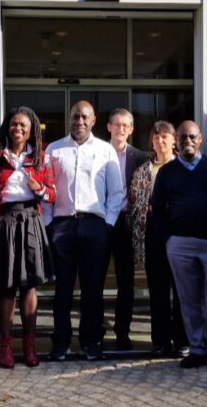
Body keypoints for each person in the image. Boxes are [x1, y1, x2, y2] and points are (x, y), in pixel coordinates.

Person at [151, 121, 207, 375]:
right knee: (188, 300)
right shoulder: (167, 173)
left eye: (192, 137)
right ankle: (198, 348)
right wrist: (168, 239)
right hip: (180, 245)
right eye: (182, 137)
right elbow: (158, 209)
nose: (187, 141)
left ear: (200, 139)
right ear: (176, 141)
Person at [44, 100, 125, 361]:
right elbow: (46, 191)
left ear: (93, 121)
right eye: (75, 116)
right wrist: (48, 223)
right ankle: (61, 343)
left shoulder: (105, 150)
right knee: (63, 289)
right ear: (69, 119)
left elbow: (116, 193)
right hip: (62, 225)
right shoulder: (54, 150)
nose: (79, 121)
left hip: (94, 225)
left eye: (84, 117)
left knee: (93, 289)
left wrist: (108, 224)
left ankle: (91, 342)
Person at [0, 106, 56, 369]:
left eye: (24, 125)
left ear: (31, 129)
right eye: (14, 124)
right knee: (6, 286)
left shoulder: (41, 158)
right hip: (4, 223)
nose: (18, 129)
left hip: (31, 222)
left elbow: (53, 194)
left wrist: (41, 189)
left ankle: (30, 346)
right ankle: (5, 347)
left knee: (29, 286)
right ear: (7, 127)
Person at [128, 121, 186, 357]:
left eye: (165, 137)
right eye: (156, 138)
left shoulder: (183, 167)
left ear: (174, 141)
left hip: (179, 235)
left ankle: (182, 339)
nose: (160, 141)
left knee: (182, 290)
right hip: (153, 234)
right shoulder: (143, 170)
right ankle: (160, 340)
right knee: (158, 290)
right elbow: (133, 203)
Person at [105, 108, 149, 350]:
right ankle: (95, 332)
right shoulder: (97, 153)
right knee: (95, 279)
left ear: (131, 130)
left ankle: (122, 332)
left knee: (126, 282)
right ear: (109, 127)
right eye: (117, 124)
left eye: (126, 125)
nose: (121, 129)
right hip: (101, 222)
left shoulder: (141, 158)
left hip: (126, 225)